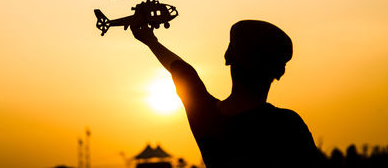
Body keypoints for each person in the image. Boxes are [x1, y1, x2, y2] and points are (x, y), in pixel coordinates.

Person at [131, 20, 320, 167]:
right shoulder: (288, 125)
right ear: (279, 71)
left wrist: (150, 40)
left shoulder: (206, 117)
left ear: (227, 57)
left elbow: (185, 74)